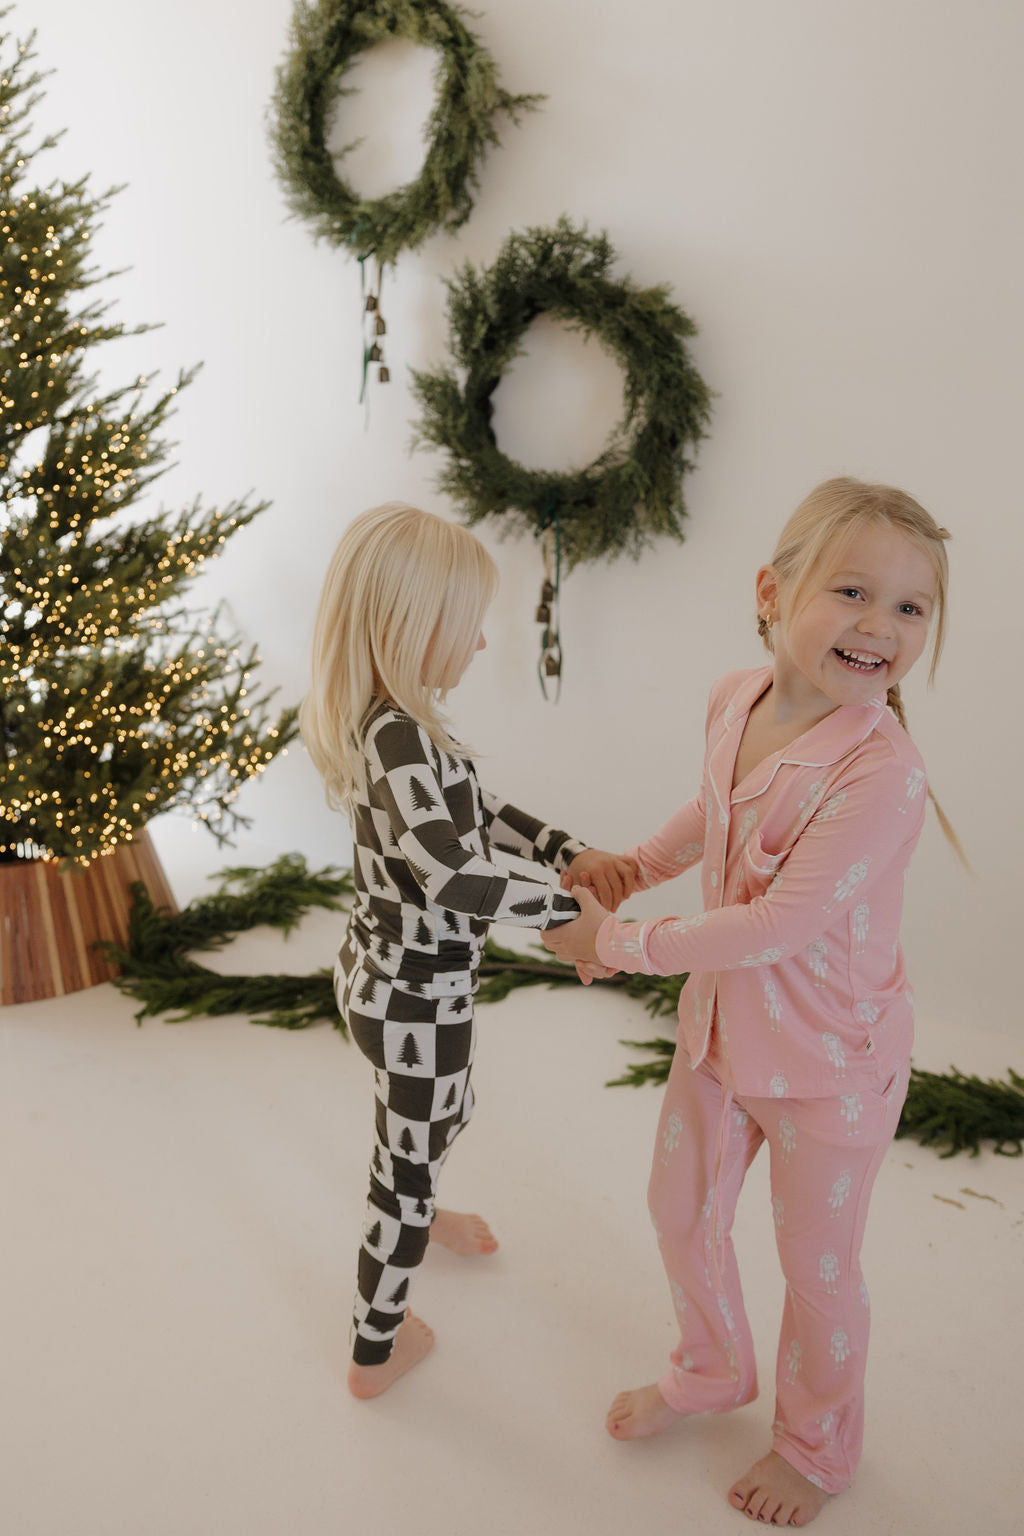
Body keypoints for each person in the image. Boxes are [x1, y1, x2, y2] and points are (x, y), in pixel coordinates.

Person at [543, 477, 958, 1526]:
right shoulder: (736, 697)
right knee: (678, 1214)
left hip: (831, 1067)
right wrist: (636, 864)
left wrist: (617, 942)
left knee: (815, 1272)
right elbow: (712, 805)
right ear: (772, 592)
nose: (880, 626)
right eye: (852, 591)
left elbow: (780, 923)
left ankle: (815, 1449)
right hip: (722, 1034)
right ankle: (711, 1369)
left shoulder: (881, 776)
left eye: (910, 608)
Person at [300, 502, 633, 1400]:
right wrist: (564, 913)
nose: (482, 646)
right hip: (413, 999)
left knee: (444, 1113)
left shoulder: (403, 727)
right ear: (414, 627)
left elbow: (478, 818)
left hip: (387, 980)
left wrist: (567, 853)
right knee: (402, 1169)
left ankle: (423, 1199)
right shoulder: (397, 737)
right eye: (469, 625)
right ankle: (379, 1345)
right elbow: (451, 872)